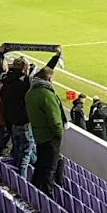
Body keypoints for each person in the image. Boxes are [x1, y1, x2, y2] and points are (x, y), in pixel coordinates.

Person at [26, 54, 66, 193]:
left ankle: (35, 194)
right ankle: (48, 198)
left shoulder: (31, 92)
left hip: (39, 134)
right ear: (49, 79)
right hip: (49, 136)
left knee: (41, 165)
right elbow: (54, 118)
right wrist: (59, 132)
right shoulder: (46, 94)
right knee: (50, 169)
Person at [1, 58, 34, 168]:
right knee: (24, 155)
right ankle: (21, 180)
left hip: (12, 120)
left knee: (18, 150)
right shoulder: (24, 84)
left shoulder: (7, 80)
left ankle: (16, 176)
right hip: (23, 122)